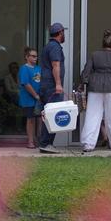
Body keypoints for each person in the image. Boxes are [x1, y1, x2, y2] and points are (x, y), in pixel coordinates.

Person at [79, 31, 111, 153]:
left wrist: (83, 82)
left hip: (95, 86)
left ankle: (88, 143)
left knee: (92, 115)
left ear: (102, 43)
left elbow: (86, 71)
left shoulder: (94, 54)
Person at [37, 22, 68, 154]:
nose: (64, 34)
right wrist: (58, 84)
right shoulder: (55, 47)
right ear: (60, 32)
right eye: (63, 32)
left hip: (46, 85)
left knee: (48, 115)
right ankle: (46, 143)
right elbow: (56, 65)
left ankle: (46, 143)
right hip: (52, 86)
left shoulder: (48, 46)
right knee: (52, 115)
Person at [18, 47, 42, 148]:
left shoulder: (38, 68)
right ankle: (30, 142)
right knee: (31, 120)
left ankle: (39, 140)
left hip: (39, 99)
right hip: (28, 99)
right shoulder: (24, 68)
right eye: (33, 56)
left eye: (36, 56)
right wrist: (35, 95)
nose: (35, 58)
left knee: (40, 119)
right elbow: (26, 84)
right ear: (27, 57)